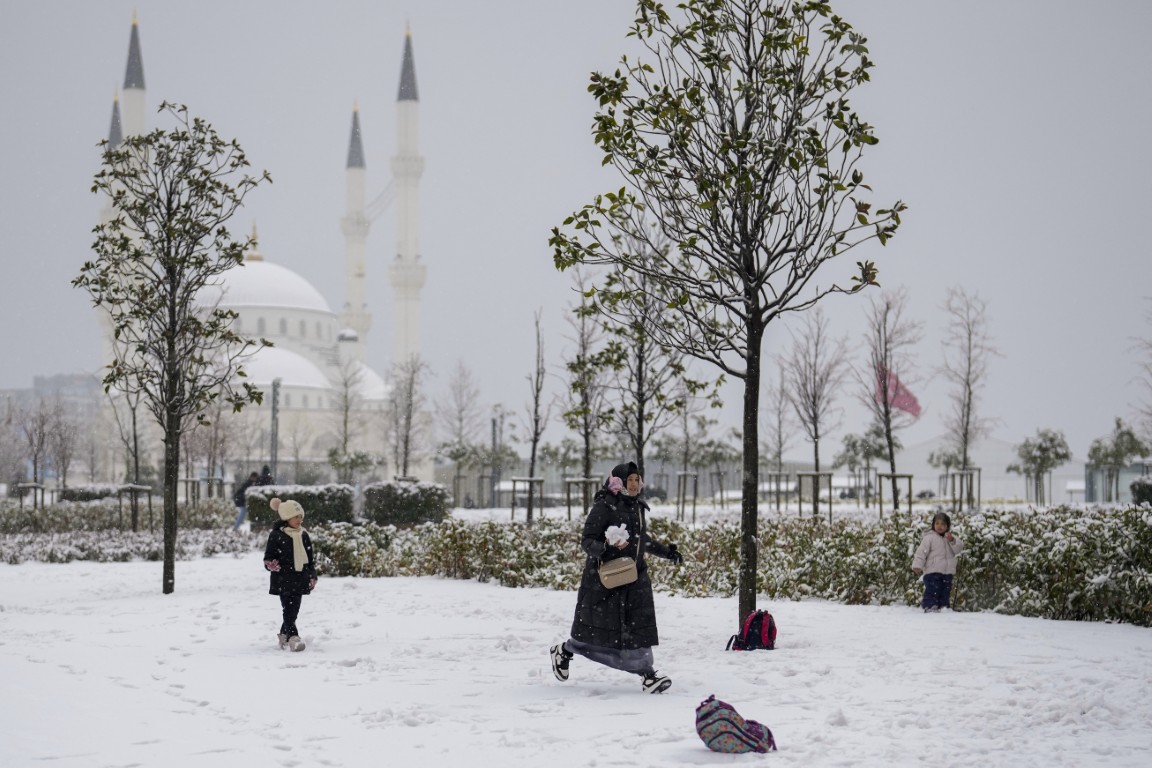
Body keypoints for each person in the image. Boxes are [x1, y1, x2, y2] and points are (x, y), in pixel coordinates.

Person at [550, 461, 684, 694]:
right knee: (598, 632)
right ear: (619, 482)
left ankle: (648, 674)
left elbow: (643, 539)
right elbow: (587, 540)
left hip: (635, 578)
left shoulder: (637, 506)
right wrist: (607, 546)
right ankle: (566, 650)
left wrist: (667, 553)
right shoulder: (605, 505)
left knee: (637, 629)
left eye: (636, 480)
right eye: (629, 480)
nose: (633, 484)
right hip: (608, 580)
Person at [263, 497, 317, 651]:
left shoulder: (303, 535)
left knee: (293, 609)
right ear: (287, 517)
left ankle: (283, 634)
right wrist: (271, 564)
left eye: (301, 517)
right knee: (288, 607)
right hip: (283, 577)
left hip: (300, 577)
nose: (299, 520)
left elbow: (310, 559)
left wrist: (313, 575)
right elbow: (269, 556)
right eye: (296, 516)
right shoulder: (276, 535)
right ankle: (293, 637)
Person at [911, 511, 964, 612]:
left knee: (945, 591)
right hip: (932, 572)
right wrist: (918, 565)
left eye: (943, 524)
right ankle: (930, 607)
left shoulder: (950, 538)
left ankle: (943, 608)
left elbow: (959, 548)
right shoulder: (929, 538)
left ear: (947, 526)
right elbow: (921, 552)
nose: (940, 526)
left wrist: (952, 540)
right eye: (937, 523)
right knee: (933, 590)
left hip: (947, 572)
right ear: (933, 525)